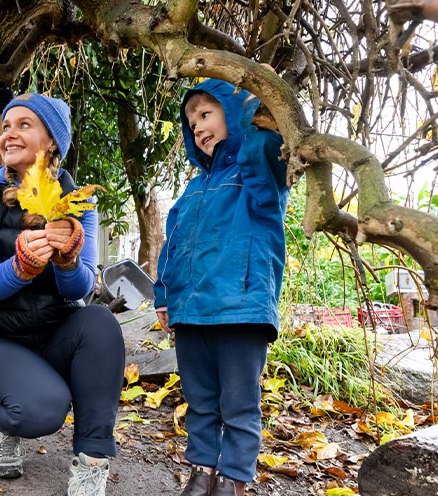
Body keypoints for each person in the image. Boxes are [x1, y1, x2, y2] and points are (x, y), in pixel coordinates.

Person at [0, 93, 125, 496]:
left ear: (52, 141)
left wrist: (68, 260)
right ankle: (2, 425)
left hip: (54, 335)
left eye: (24, 125)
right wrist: (21, 266)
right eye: (6, 127)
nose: (9, 135)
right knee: (43, 409)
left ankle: (92, 465)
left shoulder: (77, 203)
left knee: (100, 322)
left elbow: (81, 286)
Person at [154, 79, 289, 496]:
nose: (197, 127)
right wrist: (164, 296)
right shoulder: (192, 190)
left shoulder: (257, 173)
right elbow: (173, 245)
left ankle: (233, 479)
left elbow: (267, 144)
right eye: (192, 122)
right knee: (200, 400)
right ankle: (202, 472)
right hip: (192, 313)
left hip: (239, 310)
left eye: (206, 114)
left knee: (239, 402)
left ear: (234, 113)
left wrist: (252, 112)